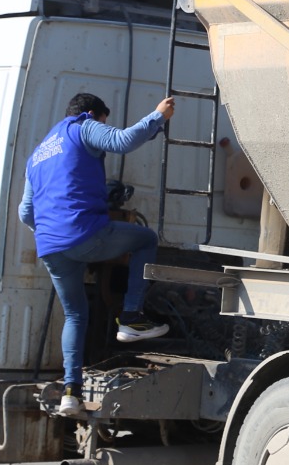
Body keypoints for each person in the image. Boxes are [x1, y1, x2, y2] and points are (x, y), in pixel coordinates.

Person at [19, 92, 174, 415]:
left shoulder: (38, 154)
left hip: (50, 247)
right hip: (84, 233)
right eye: (104, 119)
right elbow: (123, 140)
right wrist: (158, 116)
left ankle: (71, 392)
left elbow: (25, 212)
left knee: (75, 314)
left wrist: (51, 230)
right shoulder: (84, 126)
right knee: (145, 240)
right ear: (93, 112)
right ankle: (132, 317)